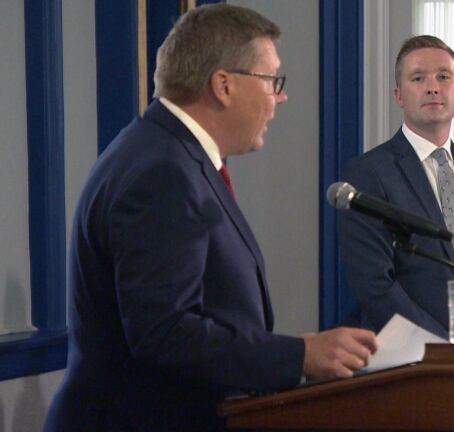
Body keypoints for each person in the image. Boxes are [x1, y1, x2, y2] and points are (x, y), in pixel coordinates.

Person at [44, 5, 377, 431]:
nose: (281, 97)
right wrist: (301, 356)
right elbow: (165, 333)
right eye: (273, 80)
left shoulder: (167, 153)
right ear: (223, 85)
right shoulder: (162, 172)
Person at [337, 35, 454, 341]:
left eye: (443, 77)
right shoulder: (369, 172)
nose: (432, 87)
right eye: (418, 78)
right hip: (408, 358)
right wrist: (445, 347)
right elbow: (374, 284)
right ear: (399, 95)